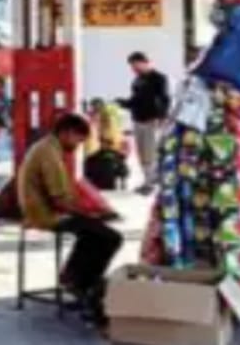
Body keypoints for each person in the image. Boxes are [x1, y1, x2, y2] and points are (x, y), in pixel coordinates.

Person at [18, 113, 122, 325]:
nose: (79, 145)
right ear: (67, 133)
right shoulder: (49, 153)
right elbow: (60, 198)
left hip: (49, 210)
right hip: (46, 214)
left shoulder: (50, 147)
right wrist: (90, 212)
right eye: (78, 139)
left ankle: (76, 278)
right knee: (111, 237)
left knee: (97, 232)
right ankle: (83, 283)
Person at [117, 52, 170, 195]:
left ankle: (152, 183)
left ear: (145, 62)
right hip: (137, 120)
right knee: (141, 153)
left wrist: (162, 117)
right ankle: (147, 181)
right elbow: (135, 100)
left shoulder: (159, 78)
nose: (134, 69)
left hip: (151, 120)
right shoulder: (137, 80)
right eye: (132, 67)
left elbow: (165, 99)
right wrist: (122, 103)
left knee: (150, 152)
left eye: (135, 65)